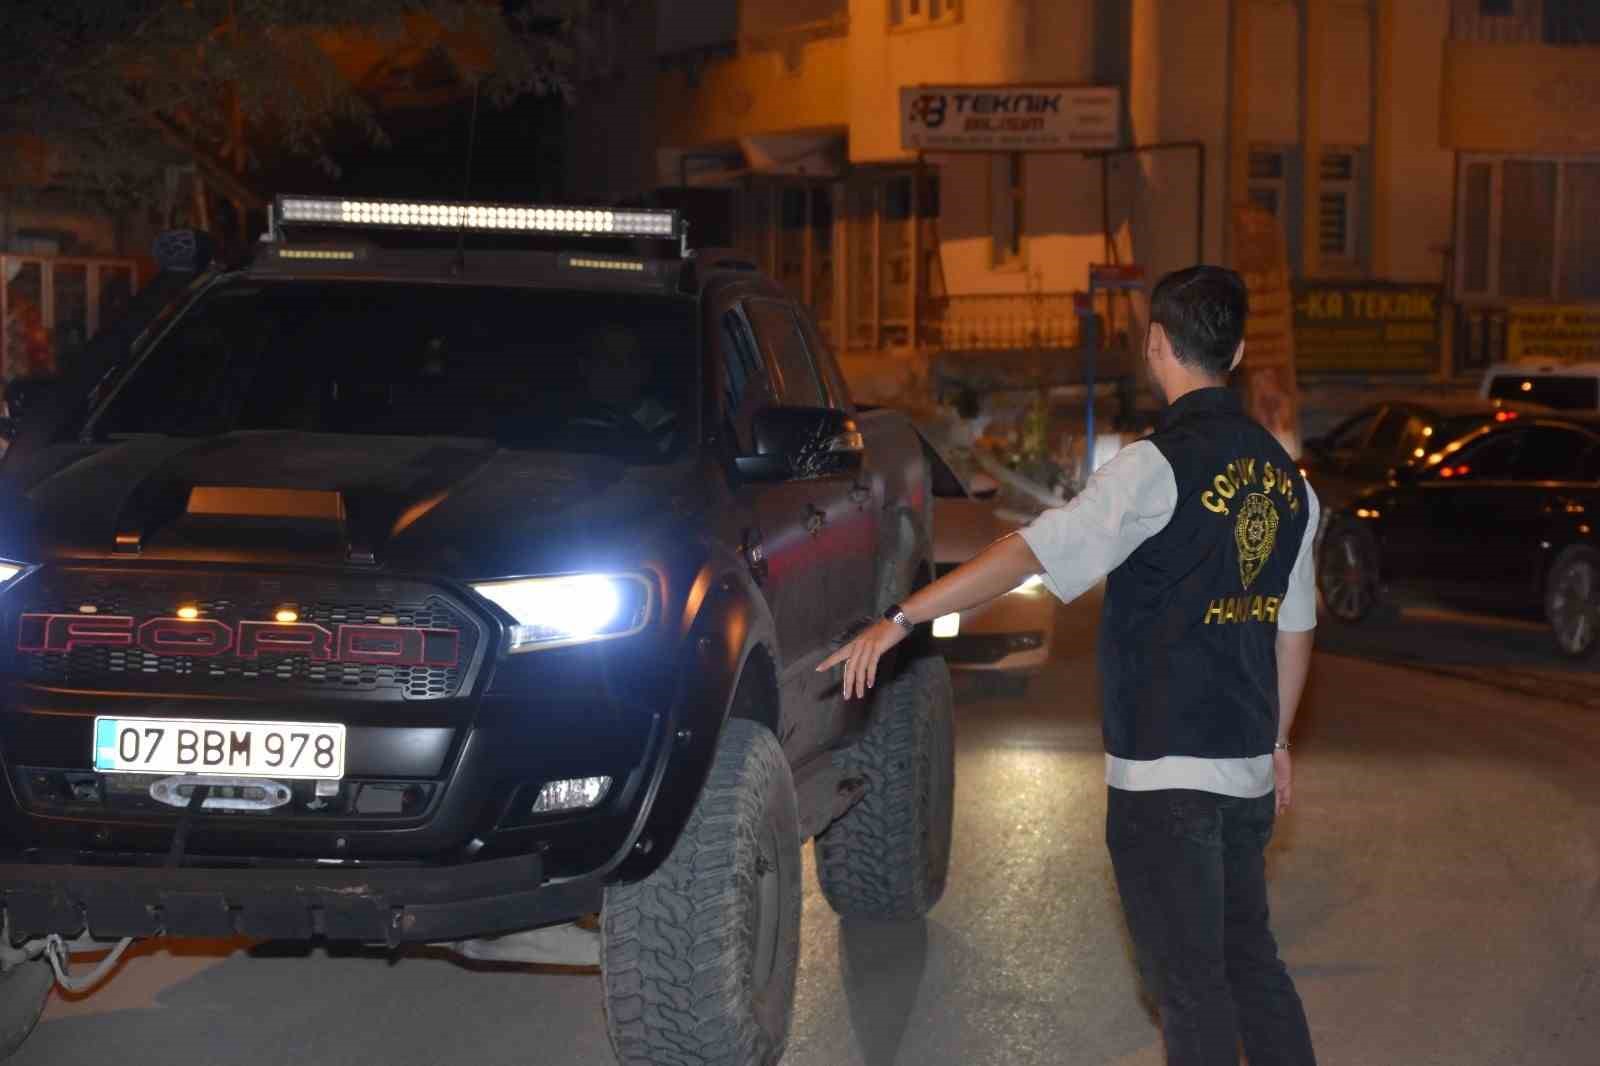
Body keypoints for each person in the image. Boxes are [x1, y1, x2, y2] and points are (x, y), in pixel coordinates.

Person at [821, 265, 1319, 1066]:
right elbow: (1294, 630)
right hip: (1245, 773)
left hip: (1164, 779)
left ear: (1156, 344)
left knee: (1190, 992)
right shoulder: (1291, 484)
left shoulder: (1152, 469)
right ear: (1240, 350)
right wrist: (1280, 741)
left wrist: (901, 616)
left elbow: (1026, 551)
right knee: (1251, 967)